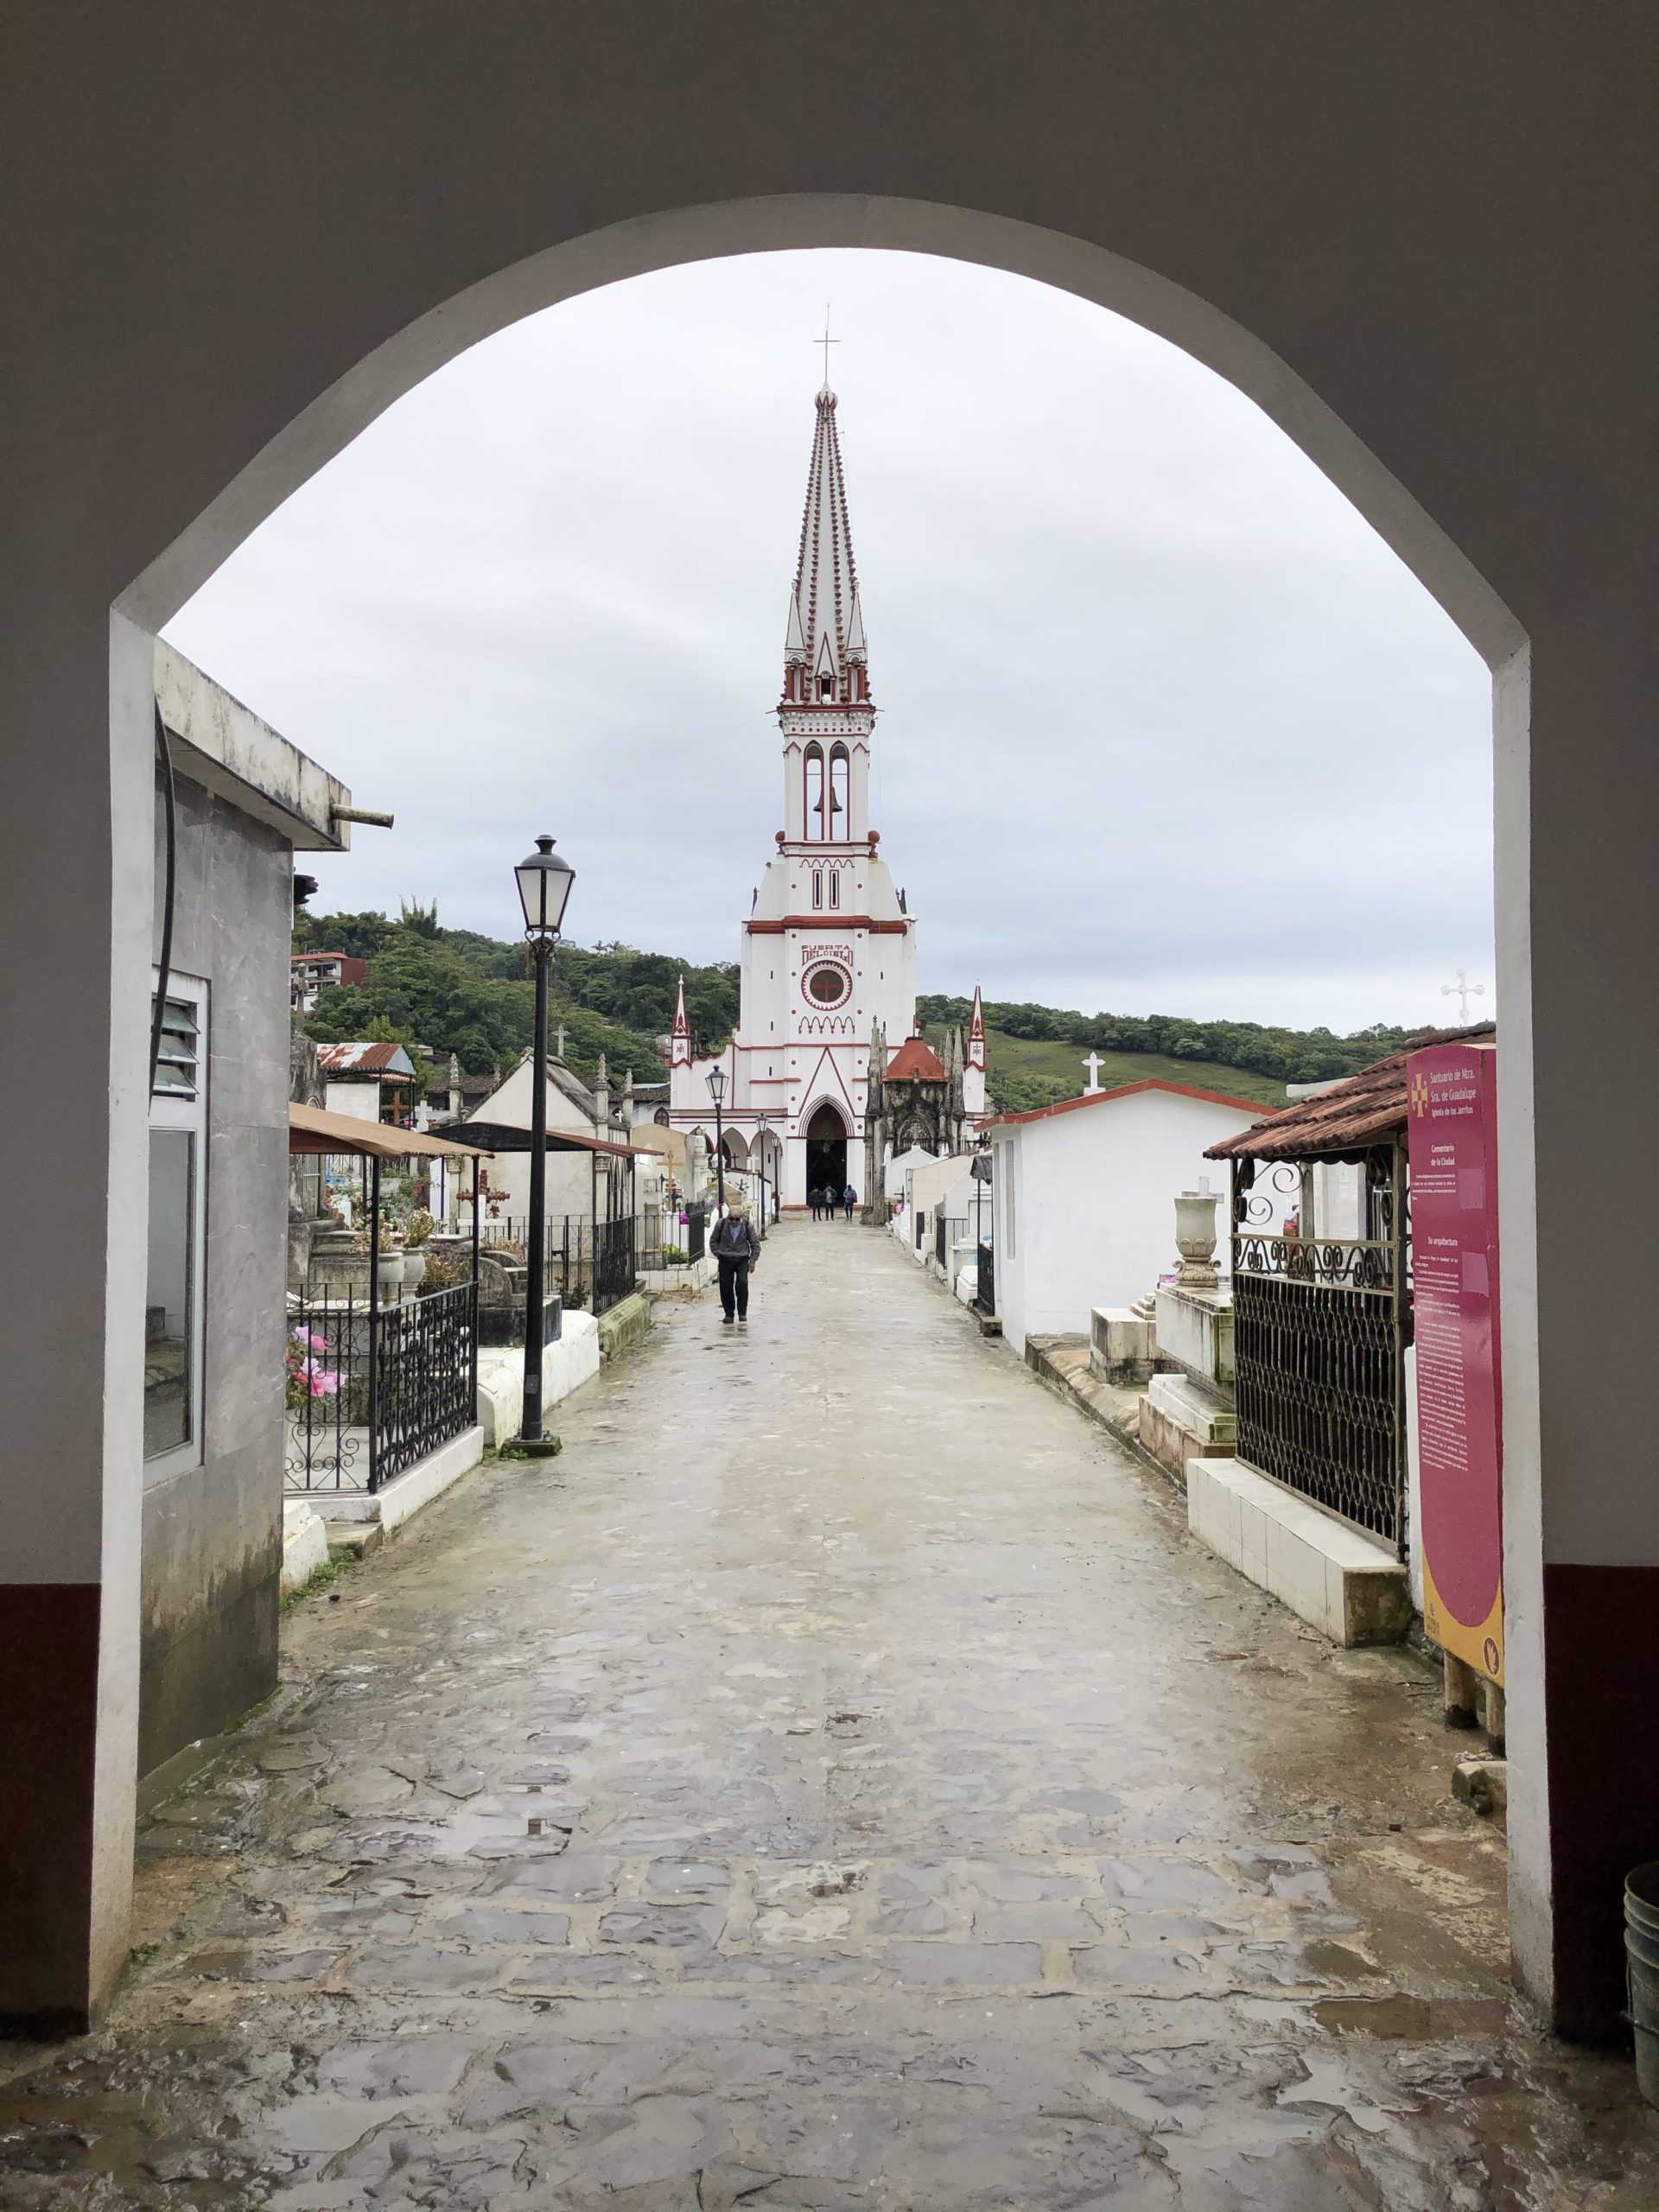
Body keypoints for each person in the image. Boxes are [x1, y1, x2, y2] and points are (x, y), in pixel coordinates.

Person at [710, 1198, 760, 1325]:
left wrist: (753, 1260)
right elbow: (713, 1241)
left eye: (737, 1219)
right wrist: (718, 1253)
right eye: (731, 1218)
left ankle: (742, 1312)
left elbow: (755, 1244)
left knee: (742, 1284)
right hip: (725, 1259)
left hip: (742, 1259)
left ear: (741, 1218)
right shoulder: (721, 1224)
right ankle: (729, 1313)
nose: (733, 1221)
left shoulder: (747, 1226)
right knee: (725, 1287)